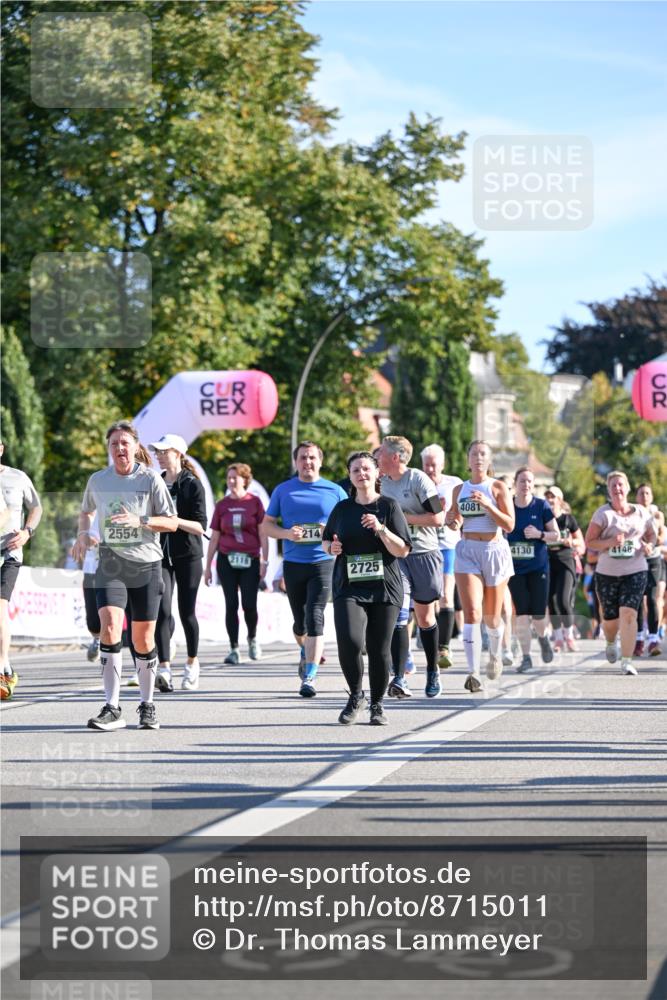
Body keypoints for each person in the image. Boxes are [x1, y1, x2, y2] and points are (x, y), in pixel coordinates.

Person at [72, 420, 177, 730]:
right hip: (111, 562)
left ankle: (147, 704)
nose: (119, 448)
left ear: (135, 447)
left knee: (142, 639)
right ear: (109, 448)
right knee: (109, 625)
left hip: (146, 564)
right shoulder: (98, 480)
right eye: (114, 443)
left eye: (125, 443)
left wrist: (140, 520)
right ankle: (112, 706)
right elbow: (86, 511)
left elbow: (171, 522)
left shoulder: (150, 479)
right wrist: (82, 534)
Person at [322, 451, 411, 726]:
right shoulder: (342, 509)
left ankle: (377, 704)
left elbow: (403, 550)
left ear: (377, 473)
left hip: (385, 587)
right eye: (356, 470)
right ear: (350, 476)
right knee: (349, 641)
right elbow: (326, 541)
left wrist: (381, 529)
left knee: (379, 648)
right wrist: (332, 547)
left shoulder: (389, 506)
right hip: (349, 585)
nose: (361, 474)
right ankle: (355, 696)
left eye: (366, 469)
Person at [262, 442, 347, 697]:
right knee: (300, 623)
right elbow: (266, 526)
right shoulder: (283, 490)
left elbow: (348, 524)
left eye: (312, 457)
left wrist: (330, 532)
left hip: (323, 562)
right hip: (293, 563)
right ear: (296, 461)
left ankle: (309, 677)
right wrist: (287, 533)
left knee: (315, 614)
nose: (307, 462)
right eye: (302, 458)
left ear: (320, 461)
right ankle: (305, 648)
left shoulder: (335, 491)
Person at [377, 436, 445, 698]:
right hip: (397, 556)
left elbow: (438, 518)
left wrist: (404, 519)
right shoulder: (381, 483)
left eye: (381, 453)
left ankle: (432, 669)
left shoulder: (418, 479)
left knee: (426, 618)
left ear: (395, 457)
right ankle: (399, 677)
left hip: (425, 553)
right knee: (400, 615)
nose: (377, 457)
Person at [446, 440, 514, 692]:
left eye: (483, 454)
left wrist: (487, 505)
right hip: (467, 551)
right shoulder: (459, 489)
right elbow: (456, 520)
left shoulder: (497, 487)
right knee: (472, 612)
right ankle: (473, 672)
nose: (478, 458)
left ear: (489, 460)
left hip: (494, 551)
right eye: (474, 453)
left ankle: (495, 655)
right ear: (468, 459)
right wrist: (452, 521)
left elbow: (509, 525)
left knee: (491, 617)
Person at [149, 434, 208, 692]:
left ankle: (192, 663)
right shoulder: (155, 482)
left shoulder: (193, 484)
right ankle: (164, 668)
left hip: (189, 556)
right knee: (162, 611)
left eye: (164, 451)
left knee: (187, 612)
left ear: (178, 454)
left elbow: (200, 526)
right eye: (157, 452)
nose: (159, 456)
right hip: (160, 555)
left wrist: (173, 521)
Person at [585, 470, 656, 676]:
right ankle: (610, 641)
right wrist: (610, 542)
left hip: (636, 569)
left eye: (621, 484)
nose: (617, 488)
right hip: (607, 572)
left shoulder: (641, 512)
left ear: (628, 488)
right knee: (610, 620)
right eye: (613, 485)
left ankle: (626, 661)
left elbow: (652, 535)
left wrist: (650, 546)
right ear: (609, 490)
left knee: (629, 613)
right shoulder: (603, 514)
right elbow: (590, 542)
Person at [206, 462, 268, 665]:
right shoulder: (222, 505)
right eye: (229, 478)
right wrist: (207, 568)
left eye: (235, 477)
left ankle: (252, 638)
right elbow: (214, 538)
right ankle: (233, 648)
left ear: (245, 480)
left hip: (250, 559)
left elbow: (263, 534)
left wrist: (265, 561)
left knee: (249, 604)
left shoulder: (255, 502)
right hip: (226, 559)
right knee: (231, 604)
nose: (231, 481)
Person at [0, 438, 42, 699]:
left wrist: (27, 532)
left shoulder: (17, 477)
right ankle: (7, 668)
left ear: (1, 449)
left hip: (9, 553)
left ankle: (2, 666)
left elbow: (36, 507)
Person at [506, 468, 560, 672]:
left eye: (529, 481)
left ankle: (543, 638)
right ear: (515, 483)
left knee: (538, 614)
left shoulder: (541, 505)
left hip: (538, 567)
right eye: (522, 481)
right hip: (515, 569)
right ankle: (526, 657)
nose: (526, 485)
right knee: (522, 612)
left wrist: (539, 534)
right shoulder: (508, 505)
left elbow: (556, 534)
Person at [420, 443, 462, 670]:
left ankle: (444, 647)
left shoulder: (454, 484)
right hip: (424, 547)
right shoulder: (416, 483)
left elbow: (460, 514)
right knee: (429, 597)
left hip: (447, 546)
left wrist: (451, 517)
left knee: (446, 595)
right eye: (426, 465)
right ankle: (429, 637)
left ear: (442, 464)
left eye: (434, 465)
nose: (430, 469)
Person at [544, 486, 585, 653]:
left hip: (566, 562)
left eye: (553, 497)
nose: (549, 500)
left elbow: (581, 542)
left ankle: (569, 636)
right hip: (547, 563)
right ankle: (558, 638)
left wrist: (571, 542)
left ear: (560, 500)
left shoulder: (568, 519)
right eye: (547, 496)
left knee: (563, 600)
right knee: (551, 601)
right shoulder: (542, 518)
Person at [634, 483, 665, 657]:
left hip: (653, 559)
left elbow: (661, 536)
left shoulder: (656, 514)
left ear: (651, 496)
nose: (644, 496)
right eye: (641, 493)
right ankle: (639, 639)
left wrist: (652, 542)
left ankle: (653, 639)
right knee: (638, 599)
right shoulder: (631, 512)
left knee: (652, 598)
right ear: (636, 496)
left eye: (647, 493)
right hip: (636, 559)